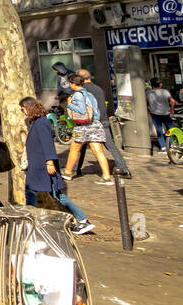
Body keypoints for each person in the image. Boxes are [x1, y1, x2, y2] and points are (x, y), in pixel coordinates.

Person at [21, 96, 95, 235]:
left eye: (23, 108)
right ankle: (81, 219)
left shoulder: (41, 122)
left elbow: (48, 144)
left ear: (29, 107)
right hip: (39, 165)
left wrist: (49, 162)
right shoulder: (38, 122)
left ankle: (82, 220)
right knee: (54, 194)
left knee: (42, 192)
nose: (23, 111)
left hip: (43, 165)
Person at [61, 73, 113, 184]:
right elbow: (96, 111)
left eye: (70, 83)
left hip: (82, 127)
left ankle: (67, 173)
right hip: (95, 124)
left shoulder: (77, 95)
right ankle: (106, 176)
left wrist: (69, 104)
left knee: (74, 149)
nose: (69, 85)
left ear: (74, 84)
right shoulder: (90, 95)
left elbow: (81, 110)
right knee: (98, 151)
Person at [77, 68, 129, 177]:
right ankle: (125, 169)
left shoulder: (82, 91)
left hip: (90, 122)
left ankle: (74, 169)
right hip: (103, 121)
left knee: (78, 145)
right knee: (111, 147)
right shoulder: (99, 89)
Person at [146, 77, 177, 156]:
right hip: (166, 113)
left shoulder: (148, 93)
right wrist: (172, 109)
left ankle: (163, 148)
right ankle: (173, 146)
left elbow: (146, 102)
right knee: (170, 129)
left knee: (159, 131)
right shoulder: (165, 92)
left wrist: (148, 110)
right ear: (160, 84)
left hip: (155, 114)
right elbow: (173, 101)